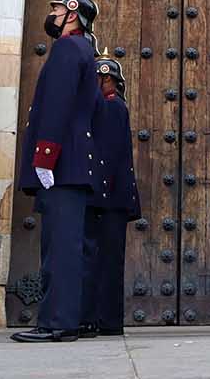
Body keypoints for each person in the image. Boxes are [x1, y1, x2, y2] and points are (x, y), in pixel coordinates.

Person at [12, 0, 101, 342]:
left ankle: (58, 322)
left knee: (61, 248)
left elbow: (58, 106)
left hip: (63, 162)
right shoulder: (82, 49)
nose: (50, 15)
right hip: (73, 161)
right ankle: (63, 318)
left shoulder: (68, 47)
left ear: (72, 13)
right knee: (65, 245)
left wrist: (45, 156)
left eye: (56, 9)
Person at [81, 52, 140, 337]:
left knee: (104, 260)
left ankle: (102, 318)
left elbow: (108, 154)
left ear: (106, 79)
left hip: (109, 197)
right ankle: (102, 317)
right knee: (102, 258)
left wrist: (99, 192)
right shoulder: (109, 107)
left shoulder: (113, 107)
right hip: (110, 196)